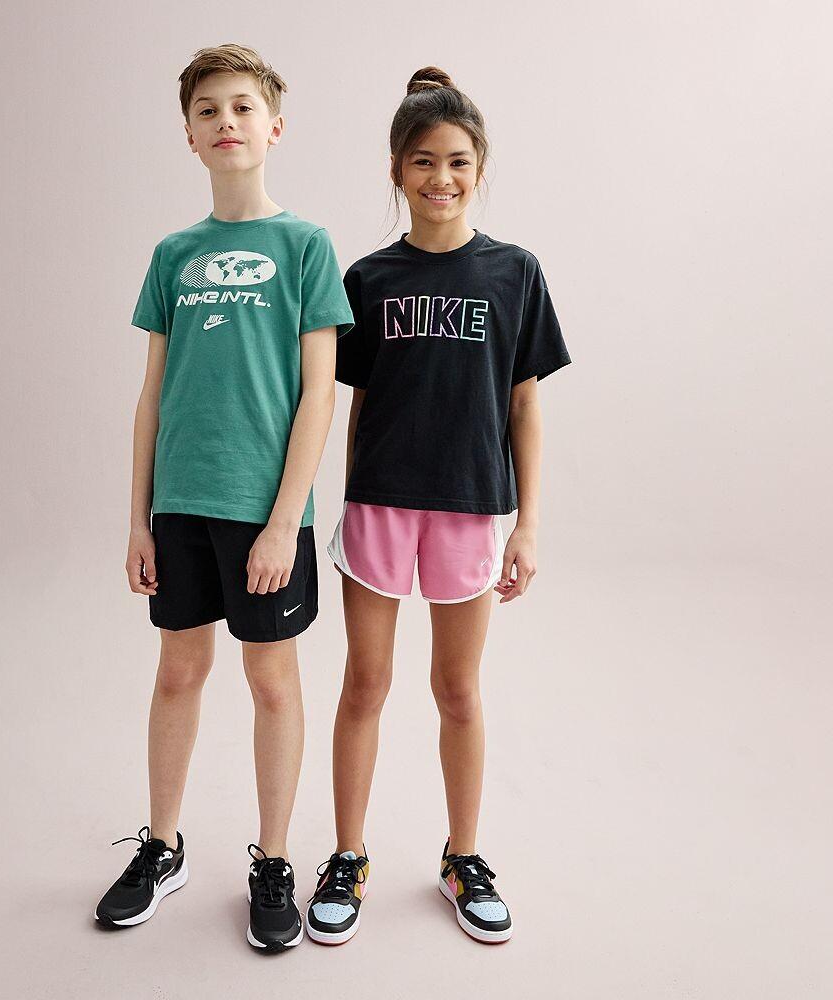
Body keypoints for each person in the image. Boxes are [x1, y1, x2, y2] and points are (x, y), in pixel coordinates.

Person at [94, 43, 354, 953]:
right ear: (190, 136)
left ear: (273, 127)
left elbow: (319, 394)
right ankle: (162, 847)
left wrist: (284, 521)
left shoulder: (306, 246)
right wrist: (138, 518)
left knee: (271, 681)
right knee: (178, 672)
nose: (226, 122)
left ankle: (274, 860)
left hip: (263, 511)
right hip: (181, 504)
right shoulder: (174, 254)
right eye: (208, 110)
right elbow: (151, 394)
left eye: (242, 107)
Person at [306, 67, 572, 946]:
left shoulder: (515, 273)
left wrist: (529, 523)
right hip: (381, 507)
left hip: (470, 506)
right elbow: (353, 405)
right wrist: (349, 502)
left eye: (457, 161)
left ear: (480, 167)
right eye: (423, 161)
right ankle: (348, 856)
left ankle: (464, 857)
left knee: (457, 690)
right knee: (365, 684)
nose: (441, 177)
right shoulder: (367, 278)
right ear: (396, 170)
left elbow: (525, 404)